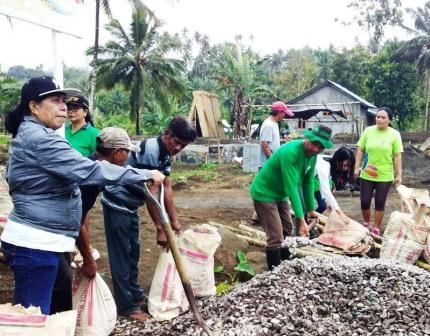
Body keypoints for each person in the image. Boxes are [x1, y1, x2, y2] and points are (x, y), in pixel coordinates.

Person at [0, 76, 164, 315]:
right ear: (34, 107)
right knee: (31, 320)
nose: (64, 106)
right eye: (55, 100)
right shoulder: (39, 140)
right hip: (35, 244)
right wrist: (143, 173)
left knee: (53, 310)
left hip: (46, 240)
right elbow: (90, 170)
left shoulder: (37, 135)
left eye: (64, 101)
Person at [101, 115, 197, 320]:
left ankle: (134, 293)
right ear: (166, 134)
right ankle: (126, 307)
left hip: (130, 207)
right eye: (177, 142)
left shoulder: (166, 154)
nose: (179, 148)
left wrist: (174, 220)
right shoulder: (151, 151)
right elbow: (151, 193)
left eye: (183, 145)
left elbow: (166, 186)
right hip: (117, 205)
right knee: (121, 256)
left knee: (133, 252)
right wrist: (161, 228)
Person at [50, 127, 142, 314]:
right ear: (117, 153)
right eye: (127, 152)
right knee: (60, 283)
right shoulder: (89, 179)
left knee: (60, 278)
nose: (127, 158)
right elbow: (76, 220)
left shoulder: (92, 167)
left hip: (58, 228)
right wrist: (88, 258)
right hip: (50, 229)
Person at [250, 125, 333, 270]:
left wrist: (311, 210)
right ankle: (274, 274)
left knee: (288, 231)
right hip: (264, 193)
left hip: (280, 194)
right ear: (308, 138)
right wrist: (301, 219)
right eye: (314, 144)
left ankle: (286, 267)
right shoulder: (291, 152)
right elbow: (292, 187)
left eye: (320, 147)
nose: (316, 149)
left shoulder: (312, 157)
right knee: (275, 236)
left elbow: (307, 183)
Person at [354, 107, 403, 236]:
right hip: (367, 172)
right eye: (378, 117)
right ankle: (366, 223)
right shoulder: (368, 131)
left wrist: (399, 175)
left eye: (383, 117)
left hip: (385, 175)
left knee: (380, 202)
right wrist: (356, 167)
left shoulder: (394, 134)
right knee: (365, 201)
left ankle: (376, 228)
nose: (379, 119)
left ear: (389, 120)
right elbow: (360, 150)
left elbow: (397, 156)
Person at [65, 95, 101, 264]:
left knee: (81, 213)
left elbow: (100, 159)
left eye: (75, 108)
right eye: (68, 108)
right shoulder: (62, 130)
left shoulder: (93, 133)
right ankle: (71, 245)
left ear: (85, 111)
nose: (70, 111)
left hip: (83, 182)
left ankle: (84, 249)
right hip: (63, 181)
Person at [313, 147, 356, 223]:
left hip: (314, 181)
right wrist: (340, 214)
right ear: (338, 161)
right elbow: (325, 190)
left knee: (323, 205)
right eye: (345, 165)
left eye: (348, 166)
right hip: (301, 180)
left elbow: (324, 186)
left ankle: (310, 221)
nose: (346, 169)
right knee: (305, 208)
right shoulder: (324, 166)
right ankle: (303, 226)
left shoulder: (333, 164)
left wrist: (329, 202)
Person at [259, 101, 293, 168]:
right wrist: (273, 161)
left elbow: (271, 141)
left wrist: (282, 140)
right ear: (279, 112)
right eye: (284, 113)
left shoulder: (274, 123)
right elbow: (265, 145)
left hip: (270, 163)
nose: (284, 115)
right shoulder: (268, 125)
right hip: (267, 164)